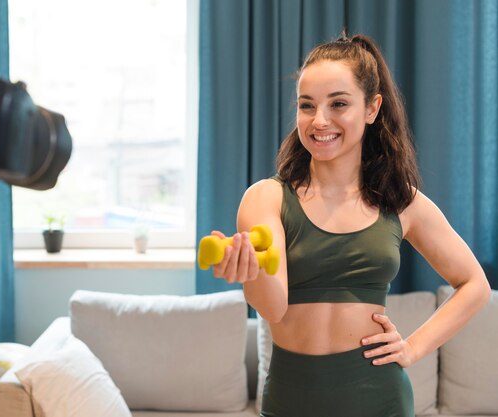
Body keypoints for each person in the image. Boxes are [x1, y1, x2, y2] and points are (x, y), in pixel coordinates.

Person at [210, 33, 491, 417]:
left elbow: (474, 285)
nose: (319, 120)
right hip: (291, 402)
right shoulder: (266, 198)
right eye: (306, 106)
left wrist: (413, 347)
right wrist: (250, 269)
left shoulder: (401, 201)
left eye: (338, 103)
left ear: (372, 108)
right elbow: (273, 307)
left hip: (380, 398)